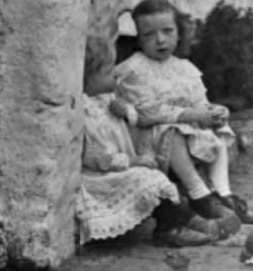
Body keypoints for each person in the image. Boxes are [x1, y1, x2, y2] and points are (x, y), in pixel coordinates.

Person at [114, 0, 251, 234]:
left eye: (168, 31)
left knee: (220, 130)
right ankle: (200, 195)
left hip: (188, 131)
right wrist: (192, 114)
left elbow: (200, 103)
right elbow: (147, 113)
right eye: (149, 35)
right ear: (138, 39)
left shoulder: (185, 68)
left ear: (179, 31)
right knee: (172, 131)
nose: (160, 40)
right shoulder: (135, 69)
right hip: (149, 136)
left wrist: (215, 112)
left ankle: (223, 193)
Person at [76, 34, 213, 247]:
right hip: (101, 174)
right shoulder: (86, 111)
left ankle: (186, 218)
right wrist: (133, 161)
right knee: (148, 179)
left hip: (119, 166)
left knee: (153, 174)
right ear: (86, 76)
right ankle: (170, 228)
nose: (114, 77)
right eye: (106, 72)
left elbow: (132, 119)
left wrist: (126, 112)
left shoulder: (105, 100)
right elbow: (97, 157)